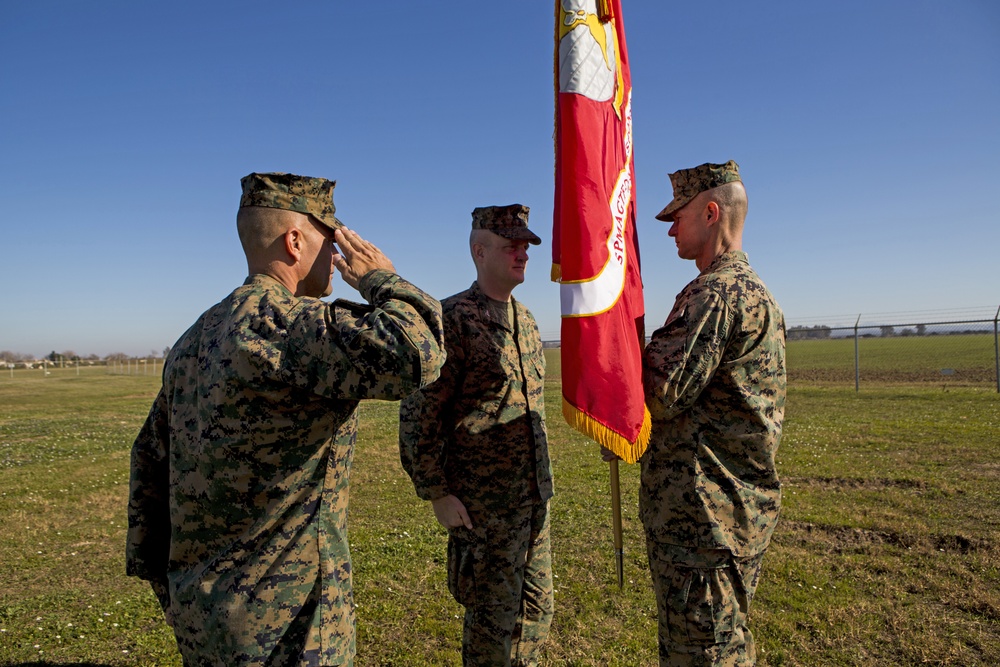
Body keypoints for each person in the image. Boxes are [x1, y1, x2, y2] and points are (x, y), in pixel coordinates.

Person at [126, 172, 445, 667]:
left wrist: (171, 589)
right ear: (295, 241)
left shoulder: (195, 337)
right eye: (331, 237)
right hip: (288, 628)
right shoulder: (290, 326)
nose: (339, 256)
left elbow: (149, 463)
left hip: (203, 616)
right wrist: (382, 278)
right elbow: (418, 352)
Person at [640, 160, 786, 666]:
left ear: (710, 212)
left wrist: (609, 351)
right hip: (727, 510)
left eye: (677, 216)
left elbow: (660, 391)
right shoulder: (751, 289)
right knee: (722, 644)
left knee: (703, 653)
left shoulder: (717, 293)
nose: (672, 228)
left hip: (705, 522)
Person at [398, 204, 553, 667]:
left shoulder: (526, 320)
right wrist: (436, 492)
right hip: (484, 508)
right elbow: (419, 414)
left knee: (536, 615)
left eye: (526, 246)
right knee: (492, 626)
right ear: (480, 251)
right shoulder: (452, 321)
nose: (523, 253)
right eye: (512, 246)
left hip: (533, 500)